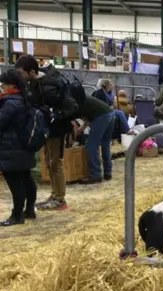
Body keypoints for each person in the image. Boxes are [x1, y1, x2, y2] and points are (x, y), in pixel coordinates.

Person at [15, 55, 79, 211]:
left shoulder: (48, 87)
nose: (20, 77)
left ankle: (59, 199)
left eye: (22, 73)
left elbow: (72, 106)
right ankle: (54, 194)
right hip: (47, 129)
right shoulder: (35, 85)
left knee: (55, 163)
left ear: (31, 72)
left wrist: (57, 115)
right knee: (50, 162)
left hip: (56, 129)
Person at [0, 70, 37, 226]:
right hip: (23, 146)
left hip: (10, 148)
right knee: (26, 179)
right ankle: (29, 210)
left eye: (3, 84)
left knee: (16, 183)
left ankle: (17, 216)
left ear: (10, 85)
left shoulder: (10, 103)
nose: (1, 87)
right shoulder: (23, 99)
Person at [73, 96, 116, 184]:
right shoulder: (82, 99)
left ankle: (95, 175)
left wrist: (75, 134)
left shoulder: (73, 104)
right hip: (110, 113)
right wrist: (81, 129)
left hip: (101, 117)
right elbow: (87, 117)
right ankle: (108, 172)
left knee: (91, 146)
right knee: (105, 144)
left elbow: (75, 124)